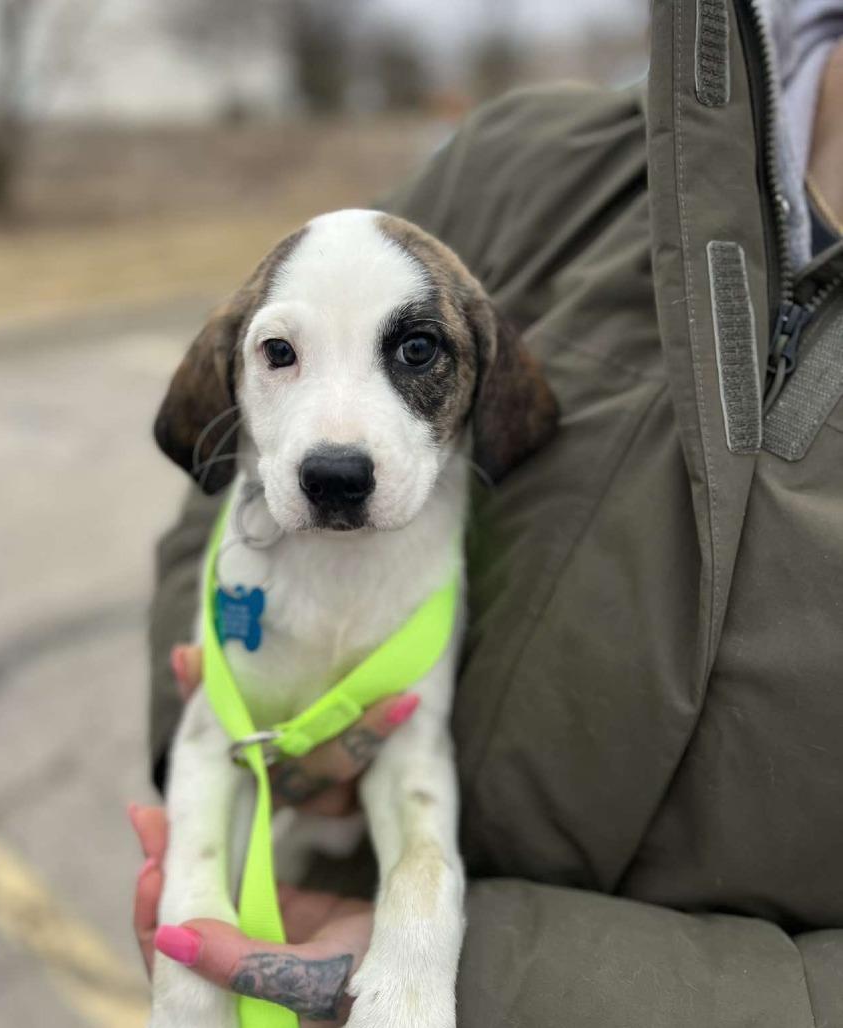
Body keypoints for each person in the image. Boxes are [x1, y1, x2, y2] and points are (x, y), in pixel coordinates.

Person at [132, 0, 843, 1023]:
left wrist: (494, 975)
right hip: (302, 889)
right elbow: (214, 492)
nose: (339, 440)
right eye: (279, 355)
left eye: (415, 351)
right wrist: (236, 721)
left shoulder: (496, 358)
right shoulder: (535, 162)